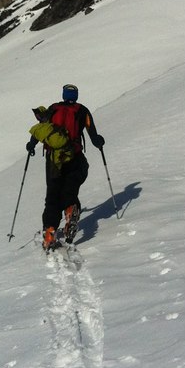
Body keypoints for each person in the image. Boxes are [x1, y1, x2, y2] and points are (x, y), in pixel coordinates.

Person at [27, 84, 105, 250]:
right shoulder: (82, 110)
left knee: (53, 195)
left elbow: (42, 128)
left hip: (53, 160)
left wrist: (31, 145)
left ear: (63, 95)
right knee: (70, 188)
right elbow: (93, 134)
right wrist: (99, 142)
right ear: (76, 96)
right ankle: (70, 210)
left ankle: (49, 231)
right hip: (74, 156)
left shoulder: (53, 108)